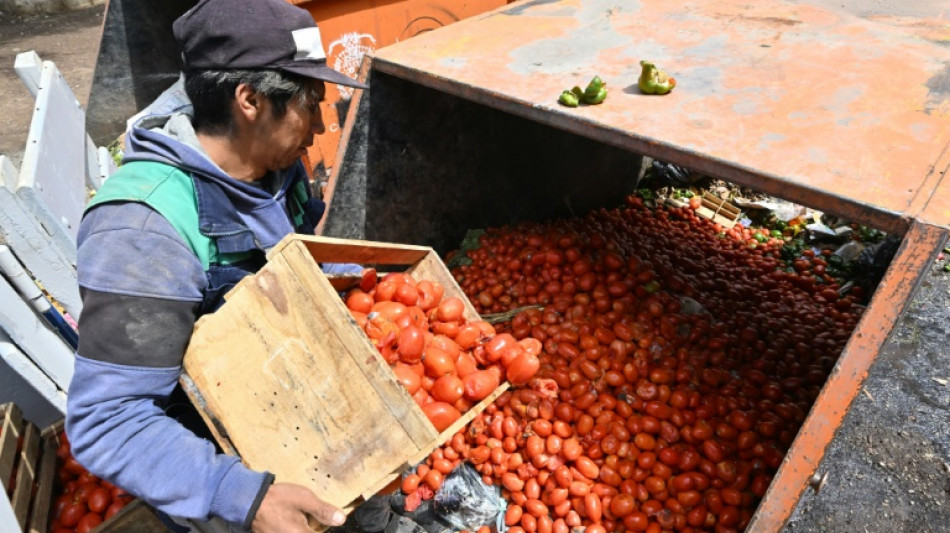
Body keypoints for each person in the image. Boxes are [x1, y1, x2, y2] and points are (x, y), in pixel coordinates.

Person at [65, 0, 368, 531]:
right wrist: (245, 498)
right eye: (309, 103)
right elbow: (107, 422)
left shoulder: (272, 167)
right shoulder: (144, 231)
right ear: (249, 101)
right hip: (222, 475)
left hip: (300, 414)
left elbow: (302, 252)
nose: (321, 126)